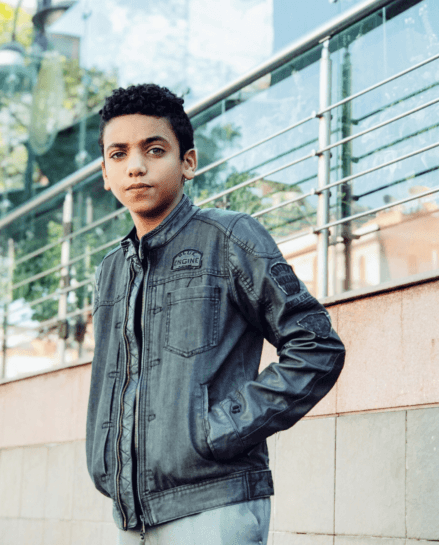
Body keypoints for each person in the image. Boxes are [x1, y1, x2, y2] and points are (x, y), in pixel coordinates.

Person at [85, 83, 346, 545]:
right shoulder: (111, 271)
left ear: (188, 162)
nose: (136, 166)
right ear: (105, 173)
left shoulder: (230, 238)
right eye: (118, 154)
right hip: (130, 516)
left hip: (216, 505)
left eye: (154, 149)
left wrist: (219, 429)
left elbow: (316, 346)